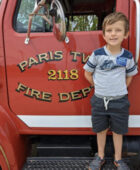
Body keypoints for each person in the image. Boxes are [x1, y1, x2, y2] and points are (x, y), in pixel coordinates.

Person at [83, 12, 138, 170]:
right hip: (99, 100)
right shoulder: (97, 54)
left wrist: (121, 88)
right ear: (104, 34)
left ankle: (118, 159)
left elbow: (130, 76)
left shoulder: (127, 56)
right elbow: (87, 73)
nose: (113, 34)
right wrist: (98, 85)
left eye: (118, 30)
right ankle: (100, 157)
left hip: (120, 101)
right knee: (100, 130)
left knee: (118, 131)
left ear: (126, 34)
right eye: (109, 30)